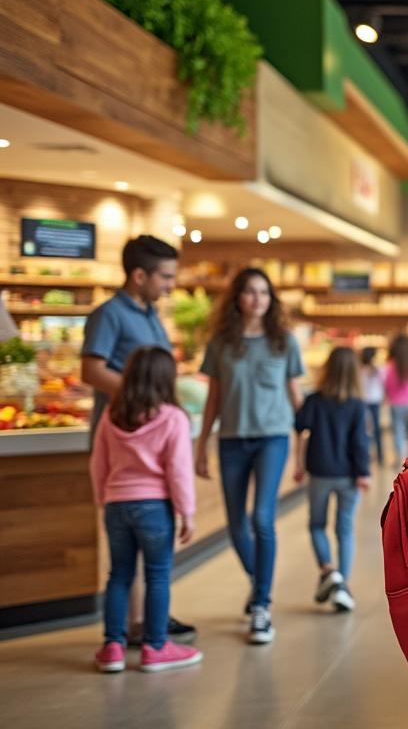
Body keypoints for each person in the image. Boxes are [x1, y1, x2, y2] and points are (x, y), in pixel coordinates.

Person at [80, 235, 195, 646]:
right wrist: (142, 401)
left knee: (143, 551)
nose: (170, 285)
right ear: (139, 275)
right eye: (165, 277)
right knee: (128, 557)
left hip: (151, 438)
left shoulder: (150, 315)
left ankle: (144, 621)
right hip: (124, 441)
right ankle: (136, 627)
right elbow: (92, 371)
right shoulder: (109, 314)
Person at [195, 269, 304, 645]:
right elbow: (213, 398)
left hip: (272, 438)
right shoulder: (221, 343)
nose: (257, 299)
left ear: (271, 299)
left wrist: (305, 444)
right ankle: (260, 582)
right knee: (236, 525)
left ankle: (261, 605)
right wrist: (201, 445)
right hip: (231, 440)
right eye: (249, 292)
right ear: (237, 298)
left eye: (264, 292)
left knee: (262, 518)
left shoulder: (283, 341)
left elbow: (295, 397)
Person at [91, 346, 201, 673]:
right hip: (155, 507)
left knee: (119, 576)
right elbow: (178, 470)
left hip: (116, 506)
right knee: (157, 576)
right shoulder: (174, 418)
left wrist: (103, 498)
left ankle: (112, 646)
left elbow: (98, 463)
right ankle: (155, 647)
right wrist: (187, 512)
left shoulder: (111, 415)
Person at [294, 346, 370, 612]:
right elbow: (360, 442)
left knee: (317, 525)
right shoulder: (357, 405)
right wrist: (364, 473)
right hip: (349, 476)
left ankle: (328, 571)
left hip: (319, 472)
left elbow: (299, 426)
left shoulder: (315, 400)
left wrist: (298, 465)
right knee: (344, 530)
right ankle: (343, 585)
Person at [384, 334, 408, 462]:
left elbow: (387, 385)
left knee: (398, 433)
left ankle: (399, 458)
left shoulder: (390, 365)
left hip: (396, 405)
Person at [357, 346, 386, 466]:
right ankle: (379, 456)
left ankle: (369, 455)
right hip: (373, 401)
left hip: (365, 401)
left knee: (365, 429)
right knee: (375, 429)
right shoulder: (377, 369)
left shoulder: (361, 369)